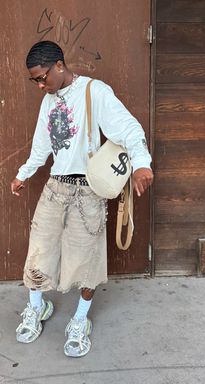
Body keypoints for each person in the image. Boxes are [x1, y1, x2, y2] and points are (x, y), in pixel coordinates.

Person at [11, 40, 153, 358]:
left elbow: (128, 128)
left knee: (88, 262)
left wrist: (142, 162)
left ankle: (79, 320)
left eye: (42, 77)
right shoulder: (48, 101)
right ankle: (37, 308)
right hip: (56, 188)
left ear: (59, 65)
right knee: (38, 252)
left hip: (88, 190)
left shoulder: (94, 92)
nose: (39, 85)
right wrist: (24, 172)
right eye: (34, 79)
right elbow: (40, 146)